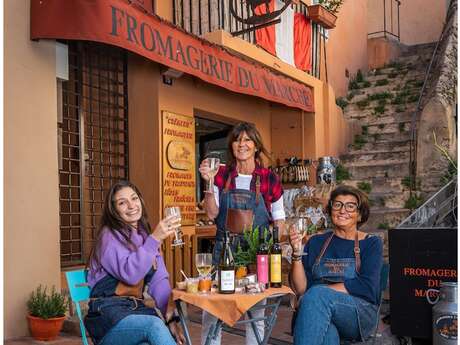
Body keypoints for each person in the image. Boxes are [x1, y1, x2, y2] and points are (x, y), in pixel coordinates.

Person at [199, 122, 286, 345]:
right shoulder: (221, 175)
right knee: (212, 310)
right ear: (232, 146)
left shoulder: (269, 178)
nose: (242, 144)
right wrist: (208, 182)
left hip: (257, 254)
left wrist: (272, 247)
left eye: (247, 139)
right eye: (237, 140)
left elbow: (279, 220)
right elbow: (211, 214)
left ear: (256, 145)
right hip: (224, 251)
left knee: (256, 314)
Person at [84, 180, 185, 345]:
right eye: (122, 203)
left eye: (134, 198)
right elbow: (130, 275)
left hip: (136, 311)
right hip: (109, 318)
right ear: (113, 209)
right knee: (153, 326)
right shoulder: (108, 236)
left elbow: (158, 280)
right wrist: (155, 238)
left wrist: (171, 319)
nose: (131, 206)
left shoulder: (144, 236)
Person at [289, 185, 383, 344]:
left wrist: (317, 293)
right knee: (327, 332)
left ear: (359, 215)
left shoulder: (371, 243)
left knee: (316, 297)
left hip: (358, 312)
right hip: (318, 306)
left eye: (350, 206)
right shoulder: (315, 242)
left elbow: (367, 287)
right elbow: (300, 289)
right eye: (337, 204)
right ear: (330, 210)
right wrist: (296, 253)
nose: (342, 210)